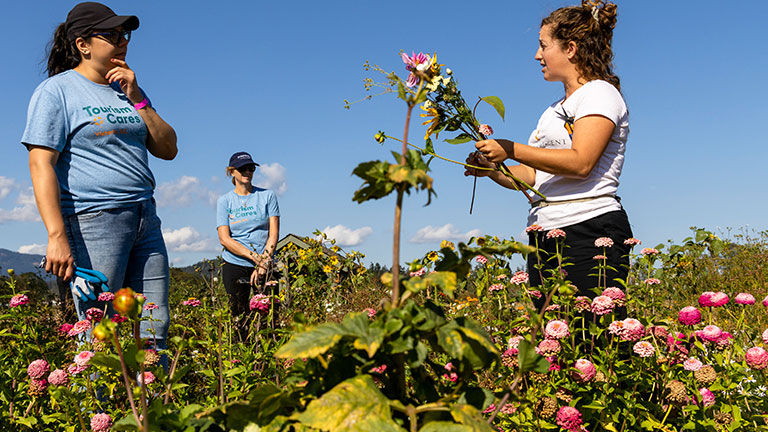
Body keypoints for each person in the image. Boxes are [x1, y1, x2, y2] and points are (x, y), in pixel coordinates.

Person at [22, 3, 177, 350]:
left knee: (154, 323)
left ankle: (151, 403)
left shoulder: (128, 90)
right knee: (99, 331)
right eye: (110, 34)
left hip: (145, 219)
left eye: (125, 34)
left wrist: (138, 98)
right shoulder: (57, 92)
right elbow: (40, 164)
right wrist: (56, 236)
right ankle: (97, 406)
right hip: (94, 223)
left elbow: (168, 148)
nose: (122, 41)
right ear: (83, 44)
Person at [466, 0, 632, 304]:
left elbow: (582, 163)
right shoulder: (552, 112)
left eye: (544, 46)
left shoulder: (599, 94)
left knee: (594, 340)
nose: (537, 55)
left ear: (570, 48)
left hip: (589, 230)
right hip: (545, 234)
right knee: (554, 341)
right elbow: (532, 175)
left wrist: (511, 149)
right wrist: (490, 169)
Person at [216, 152, 280, 336]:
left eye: (251, 168)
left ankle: (270, 360)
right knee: (239, 317)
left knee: (270, 316)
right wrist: (254, 258)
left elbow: (273, 234)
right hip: (235, 263)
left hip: (266, 263)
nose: (247, 172)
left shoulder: (268, 196)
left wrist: (263, 263)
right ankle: (243, 359)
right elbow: (225, 239)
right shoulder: (225, 201)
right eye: (242, 168)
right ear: (231, 172)